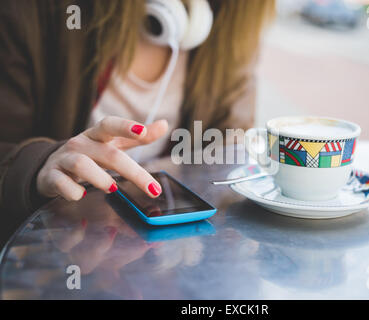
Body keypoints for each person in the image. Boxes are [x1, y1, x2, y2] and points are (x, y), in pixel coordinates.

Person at [0, 0, 275, 247]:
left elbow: (231, 150)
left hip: (171, 267)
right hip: (60, 259)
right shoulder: (34, 12)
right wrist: (39, 165)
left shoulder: (235, 20)